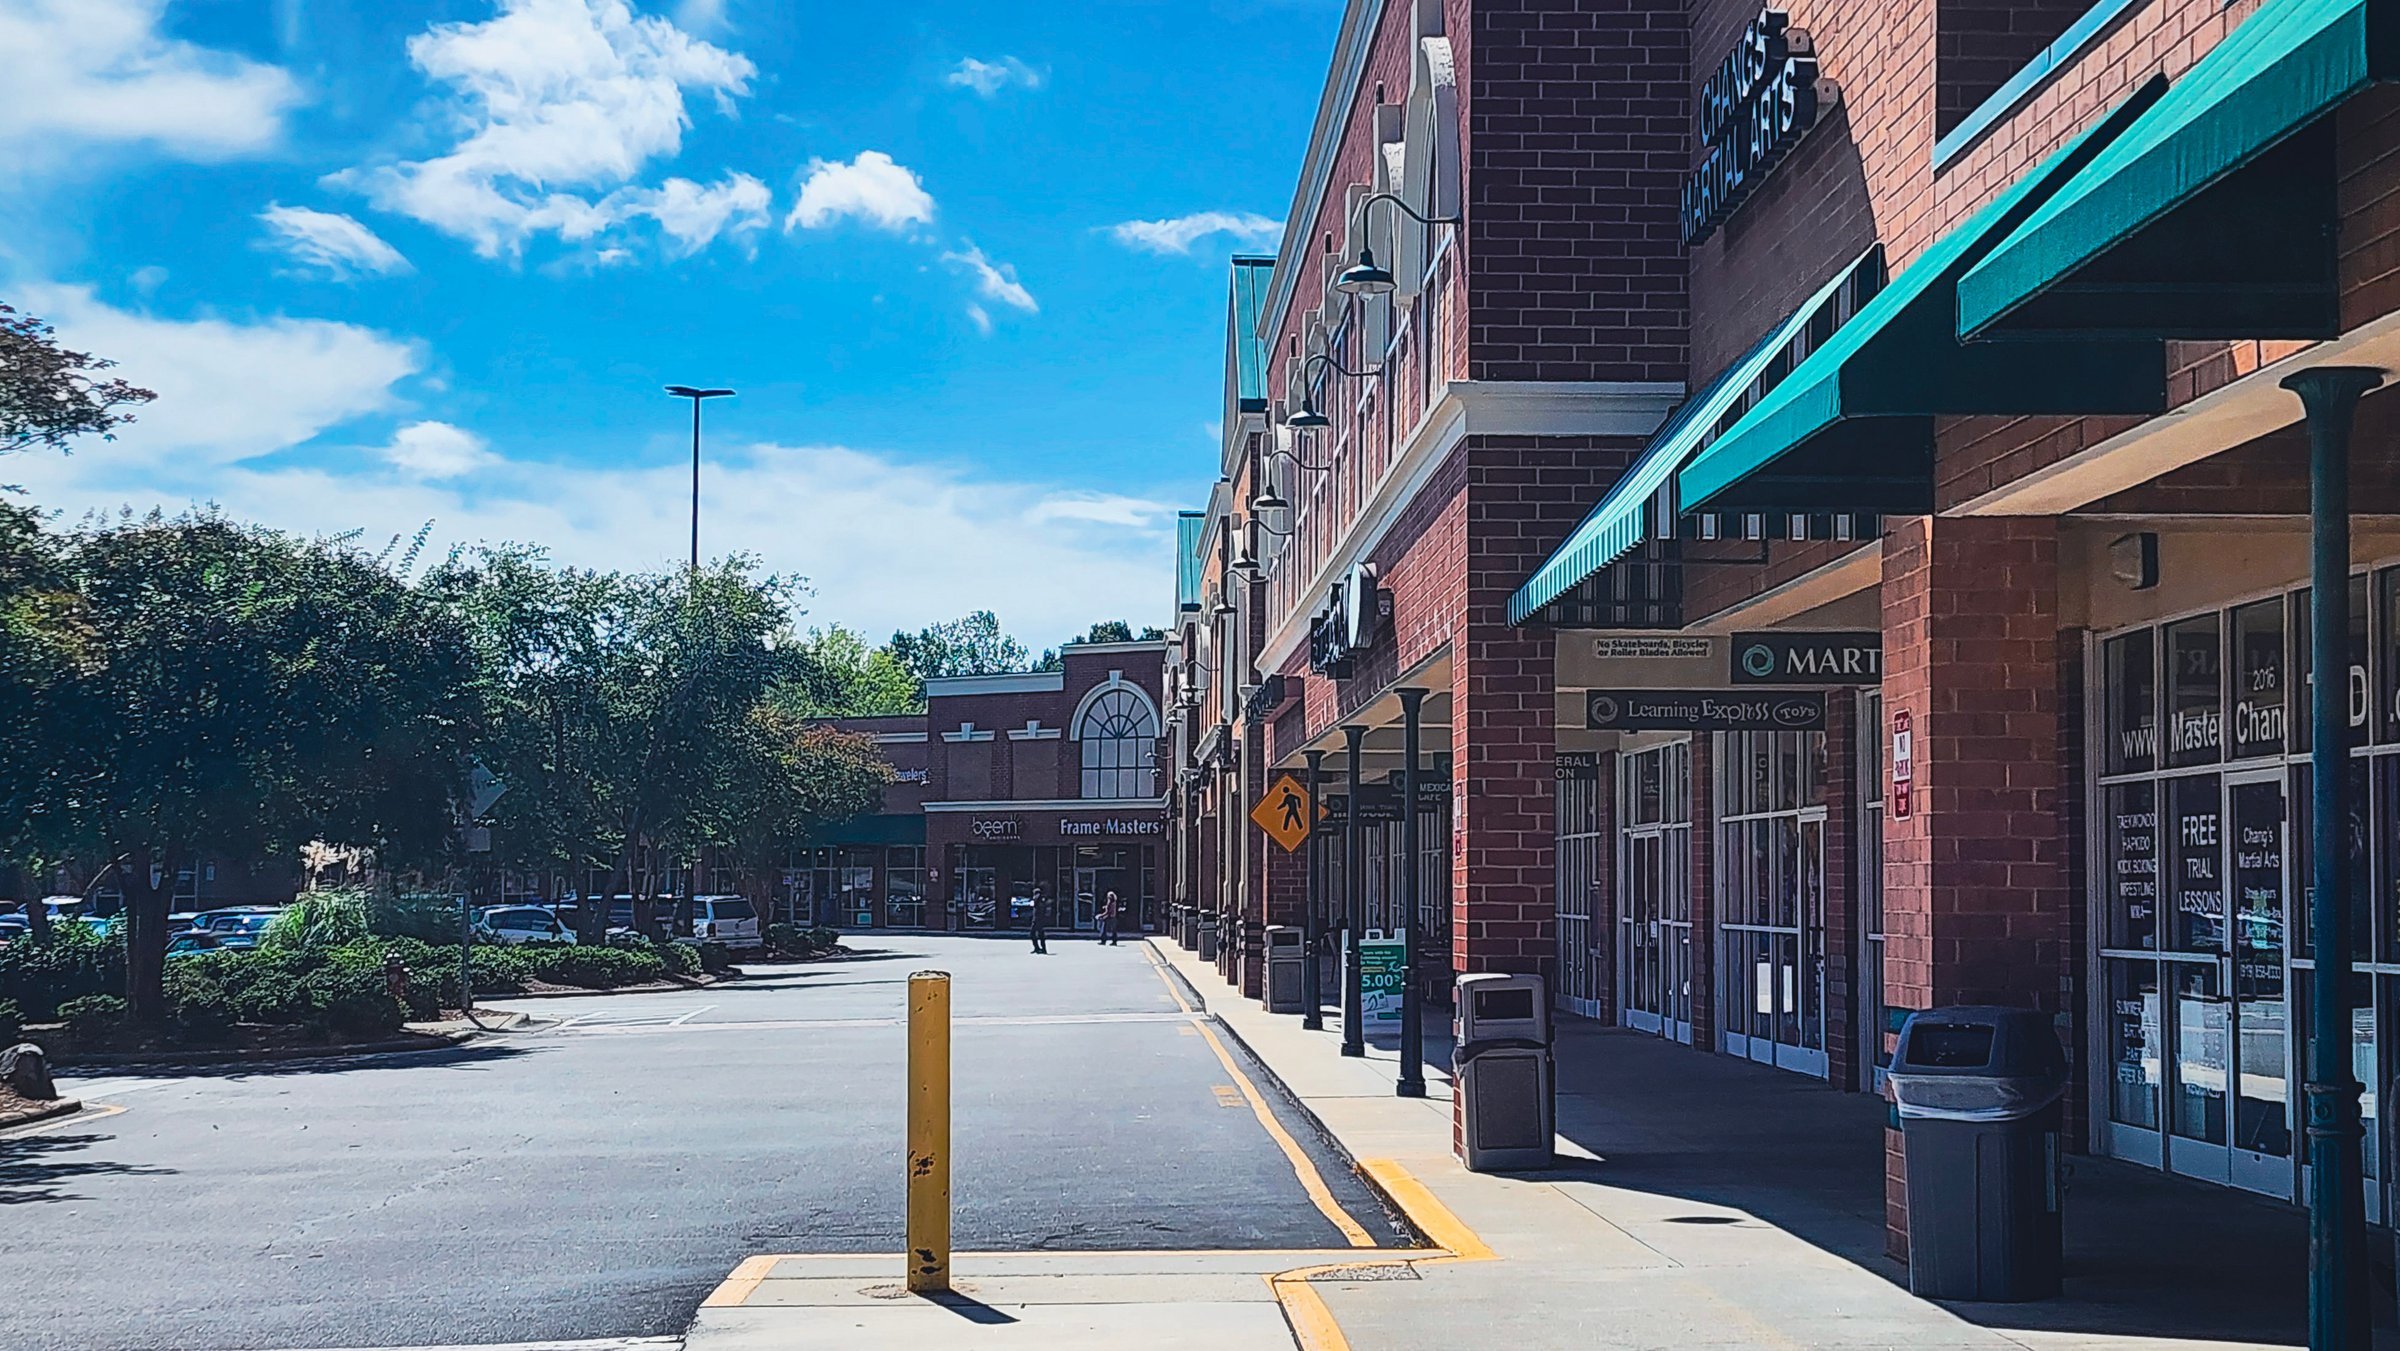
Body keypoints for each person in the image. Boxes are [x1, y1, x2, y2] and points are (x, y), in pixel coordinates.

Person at [1028, 886, 1049, 955]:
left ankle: (1039, 948)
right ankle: (1040, 948)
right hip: (1037, 919)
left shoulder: (1039, 901)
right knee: (1040, 934)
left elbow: (1040, 911)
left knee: (1034, 934)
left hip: (1038, 920)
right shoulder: (1039, 901)